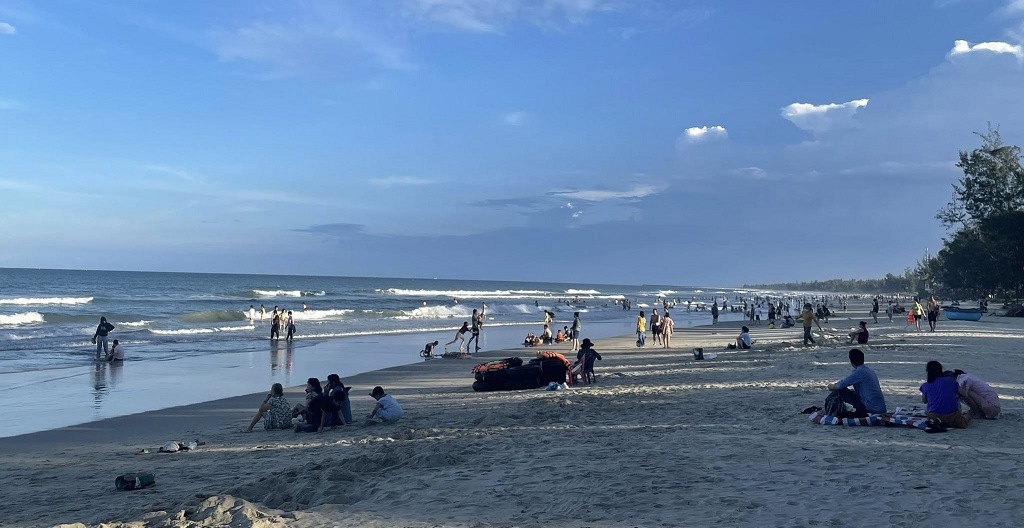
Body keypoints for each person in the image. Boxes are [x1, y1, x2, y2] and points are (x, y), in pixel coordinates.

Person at [826, 348, 887, 417]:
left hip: (870, 409)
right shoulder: (869, 371)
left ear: (851, 361)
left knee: (841, 391)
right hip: (880, 408)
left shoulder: (858, 372)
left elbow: (838, 386)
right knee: (850, 392)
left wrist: (829, 385)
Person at [920, 361, 969, 428]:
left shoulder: (925, 385)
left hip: (934, 417)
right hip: (953, 416)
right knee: (969, 414)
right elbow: (964, 394)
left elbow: (924, 400)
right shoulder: (951, 381)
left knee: (928, 411)